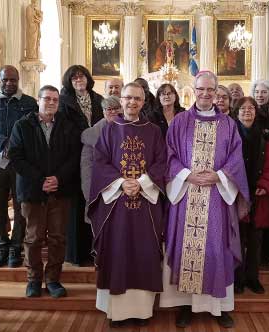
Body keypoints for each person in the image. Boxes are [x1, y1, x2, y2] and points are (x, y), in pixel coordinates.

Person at [160, 71, 250, 328]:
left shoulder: (228, 125)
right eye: (201, 89)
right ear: (194, 90)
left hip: (216, 198)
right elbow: (169, 155)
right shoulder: (179, 122)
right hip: (187, 195)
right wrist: (188, 176)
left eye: (211, 90)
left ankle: (218, 307)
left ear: (217, 92)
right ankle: (187, 305)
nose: (206, 94)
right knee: (187, 251)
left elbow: (235, 158)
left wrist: (218, 176)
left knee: (216, 248)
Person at [88, 82, 167, 328]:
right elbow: (99, 162)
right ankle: (118, 312)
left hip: (145, 203)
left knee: (143, 251)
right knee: (118, 250)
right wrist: (122, 183)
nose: (132, 102)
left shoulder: (154, 131)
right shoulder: (109, 130)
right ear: (120, 101)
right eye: (128, 98)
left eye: (137, 99)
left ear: (144, 102)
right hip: (117, 205)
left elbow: (162, 161)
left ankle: (142, 312)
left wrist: (142, 183)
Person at [8, 85, 81, 298]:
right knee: (33, 237)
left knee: (58, 237)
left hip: (60, 190)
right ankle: (33, 280)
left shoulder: (67, 126)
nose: (51, 103)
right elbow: (16, 156)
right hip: (33, 191)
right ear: (38, 100)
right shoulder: (22, 125)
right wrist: (41, 180)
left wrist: (58, 178)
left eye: (55, 100)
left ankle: (53, 280)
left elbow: (74, 157)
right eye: (47, 99)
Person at [0, 65, 38, 268]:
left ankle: (16, 248)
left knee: (22, 206)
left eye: (13, 80)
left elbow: (33, 128)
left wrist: (15, 145)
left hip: (20, 162)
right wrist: (2, 142)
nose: (9, 83)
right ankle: (1, 247)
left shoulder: (29, 103)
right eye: (5, 80)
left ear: (18, 79)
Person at [59, 65, 104, 265]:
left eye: (82, 77)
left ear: (87, 79)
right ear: (69, 81)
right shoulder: (63, 101)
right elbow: (63, 127)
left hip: (95, 155)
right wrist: (83, 137)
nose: (79, 80)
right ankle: (76, 253)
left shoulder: (98, 99)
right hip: (72, 154)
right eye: (74, 78)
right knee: (76, 204)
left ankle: (93, 249)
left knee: (94, 200)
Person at [233, 97, 269, 295]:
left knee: (255, 239)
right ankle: (238, 279)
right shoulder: (231, 133)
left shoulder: (265, 135)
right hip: (236, 193)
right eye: (243, 108)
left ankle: (253, 277)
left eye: (251, 108)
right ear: (237, 112)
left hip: (258, 193)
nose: (247, 112)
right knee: (237, 239)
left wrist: (266, 185)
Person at [81, 96, 123, 224]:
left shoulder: (130, 129)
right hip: (100, 192)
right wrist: (90, 196)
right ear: (103, 111)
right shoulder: (91, 135)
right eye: (109, 109)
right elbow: (86, 169)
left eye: (116, 108)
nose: (113, 112)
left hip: (124, 191)